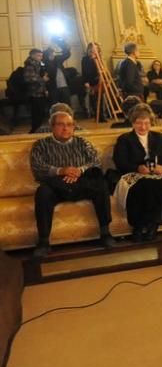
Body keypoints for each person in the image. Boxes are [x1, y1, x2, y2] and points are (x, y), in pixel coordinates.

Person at [29, 105, 115, 257]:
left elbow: (95, 162)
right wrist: (61, 171)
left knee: (101, 185)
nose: (65, 128)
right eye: (61, 124)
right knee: (42, 192)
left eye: (69, 125)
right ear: (52, 127)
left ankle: (105, 233)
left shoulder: (83, 143)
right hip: (56, 185)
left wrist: (79, 171)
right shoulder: (41, 145)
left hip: (81, 182)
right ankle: (43, 241)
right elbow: (38, 167)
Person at [113, 104, 162, 241]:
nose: (143, 127)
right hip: (136, 175)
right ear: (133, 123)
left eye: (146, 123)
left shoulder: (159, 137)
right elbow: (120, 161)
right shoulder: (125, 139)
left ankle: (154, 225)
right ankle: (138, 225)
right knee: (144, 186)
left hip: (158, 174)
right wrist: (137, 168)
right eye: (139, 123)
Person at [23, 48, 50, 132]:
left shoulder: (39, 64)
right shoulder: (30, 65)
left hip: (40, 92)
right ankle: (34, 131)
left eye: (41, 56)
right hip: (34, 93)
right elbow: (29, 79)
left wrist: (45, 89)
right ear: (32, 55)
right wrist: (43, 79)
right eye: (38, 56)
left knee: (40, 114)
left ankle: (37, 130)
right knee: (36, 114)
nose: (41, 58)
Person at [42, 38, 72, 106]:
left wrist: (61, 42)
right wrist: (50, 47)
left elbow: (67, 54)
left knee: (67, 106)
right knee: (55, 107)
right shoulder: (45, 63)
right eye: (50, 54)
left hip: (64, 86)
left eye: (53, 53)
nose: (52, 55)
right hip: (53, 88)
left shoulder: (57, 59)